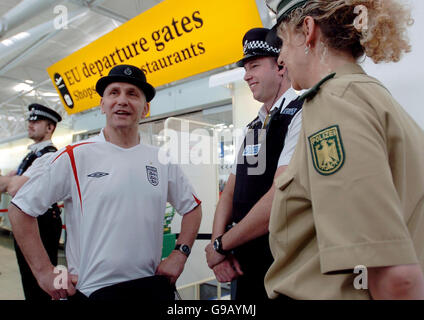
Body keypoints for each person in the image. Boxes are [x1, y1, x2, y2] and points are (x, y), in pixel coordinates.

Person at [263, 0, 424, 299]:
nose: (282, 58)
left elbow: (396, 277)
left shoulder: (333, 103)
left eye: (283, 42)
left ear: (308, 31)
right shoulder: (377, 99)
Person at [9, 64, 202, 300]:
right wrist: (43, 272)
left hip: (149, 287)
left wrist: (180, 254)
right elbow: (20, 208)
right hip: (93, 292)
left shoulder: (161, 160)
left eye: (132, 94)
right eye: (114, 93)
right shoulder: (74, 156)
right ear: (102, 105)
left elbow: (192, 208)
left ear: (145, 109)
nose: (122, 100)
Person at [205, 27, 303, 301]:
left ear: (281, 67)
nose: (247, 75)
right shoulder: (255, 126)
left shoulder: (301, 114)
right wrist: (218, 250)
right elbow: (231, 193)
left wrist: (221, 245)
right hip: (242, 263)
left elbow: (278, 199)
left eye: (254, 66)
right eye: (246, 68)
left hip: (284, 265)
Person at [0, 103, 63, 301]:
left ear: (50, 127)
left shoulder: (48, 156)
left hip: (42, 223)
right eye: (30, 120)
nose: (30, 124)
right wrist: (13, 180)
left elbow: (14, 187)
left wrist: (13, 180)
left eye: (36, 121)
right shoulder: (32, 155)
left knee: (40, 283)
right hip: (29, 220)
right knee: (29, 278)